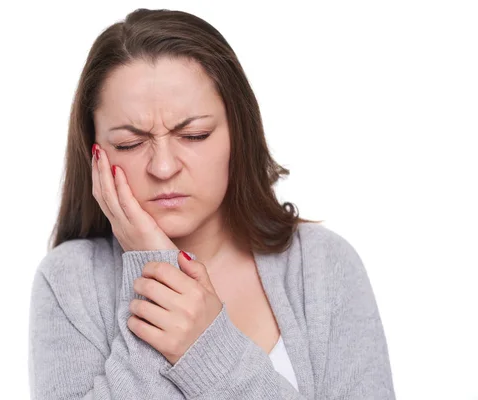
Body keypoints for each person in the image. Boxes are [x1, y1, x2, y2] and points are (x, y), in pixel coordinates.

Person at [28, 8, 395, 400]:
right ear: (94, 152)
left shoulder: (324, 266)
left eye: (195, 134)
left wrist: (207, 349)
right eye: (129, 144)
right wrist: (155, 268)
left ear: (239, 132)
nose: (164, 167)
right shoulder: (69, 282)